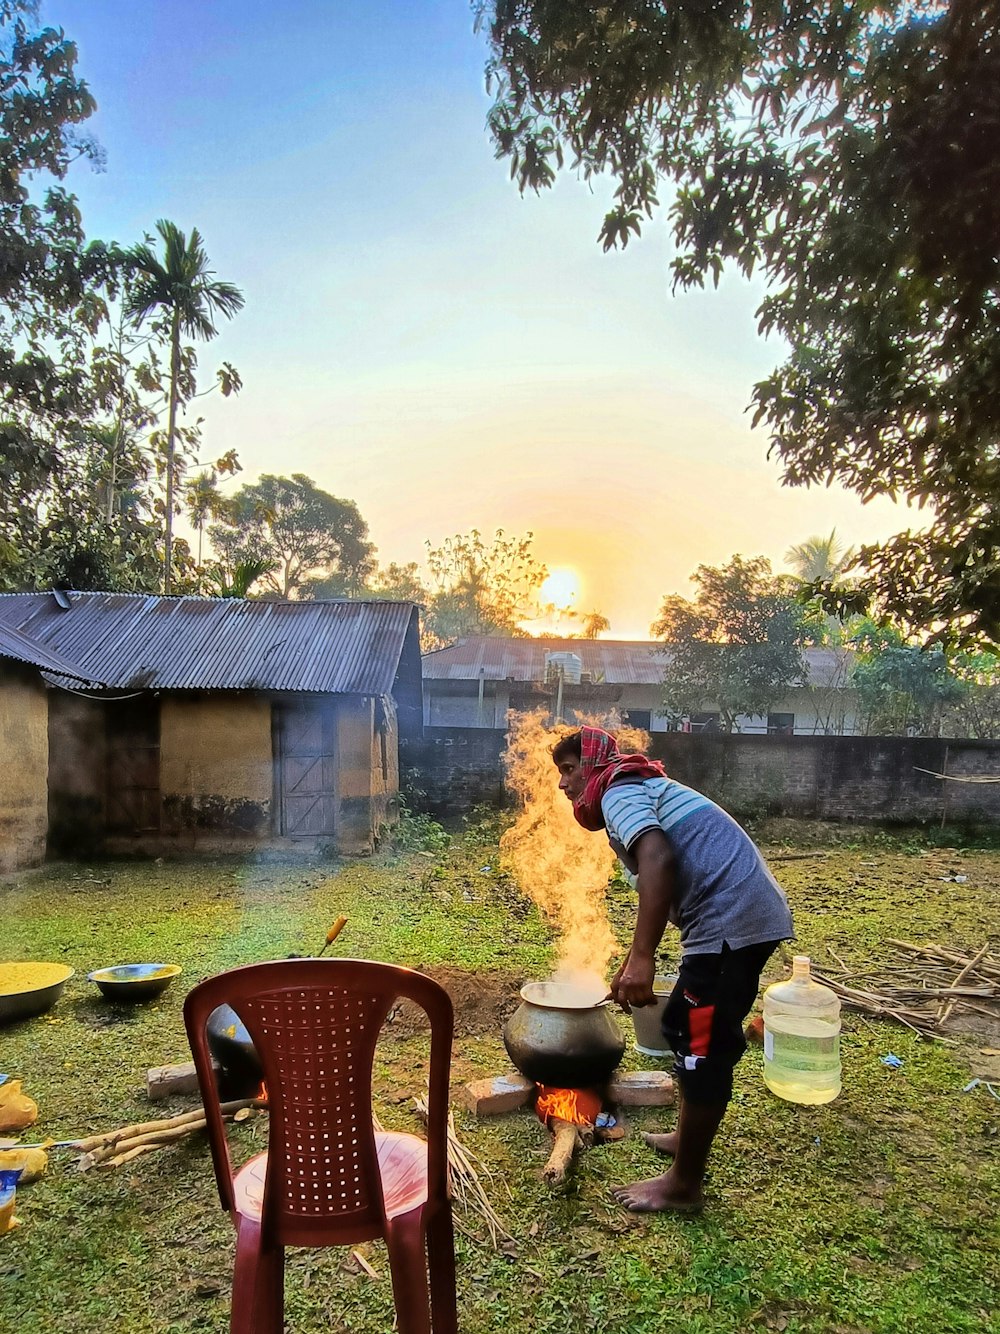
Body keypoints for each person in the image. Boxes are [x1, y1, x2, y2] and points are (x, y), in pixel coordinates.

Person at [552, 725, 794, 1213]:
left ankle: (683, 1186)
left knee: (699, 1043)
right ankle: (685, 1136)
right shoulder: (636, 785)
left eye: (570, 770)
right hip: (733, 920)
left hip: (732, 920)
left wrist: (644, 958)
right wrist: (631, 959)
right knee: (682, 1026)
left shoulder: (618, 789)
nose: (564, 785)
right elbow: (663, 872)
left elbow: (658, 858)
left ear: (594, 765)